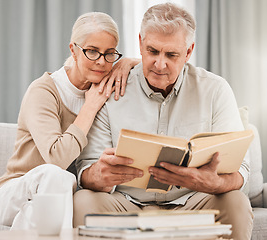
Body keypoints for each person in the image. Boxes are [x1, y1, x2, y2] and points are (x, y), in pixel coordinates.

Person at [74, 3, 253, 240]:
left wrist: (214, 183)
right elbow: (85, 168)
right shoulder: (111, 88)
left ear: (189, 52)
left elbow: (241, 170)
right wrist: (98, 175)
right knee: (83, 201)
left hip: (193, 201)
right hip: (126, 203)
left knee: (236, 202)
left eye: (171, 55)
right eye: (152, 51)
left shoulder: (214, 90)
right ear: (140, 43)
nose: (160, 64)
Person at [0, 12, 138, 230]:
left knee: (67, 194)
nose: (101, 62)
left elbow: (158, 69)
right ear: (73, 50)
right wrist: (90, 106)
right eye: (92, 51)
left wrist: (128, 63)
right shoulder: (44, 90)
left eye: (109, 53)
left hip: (60, 201)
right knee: (59, 176)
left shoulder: (106, 87)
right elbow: (57, 158)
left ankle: (33, 226)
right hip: (13, 195)